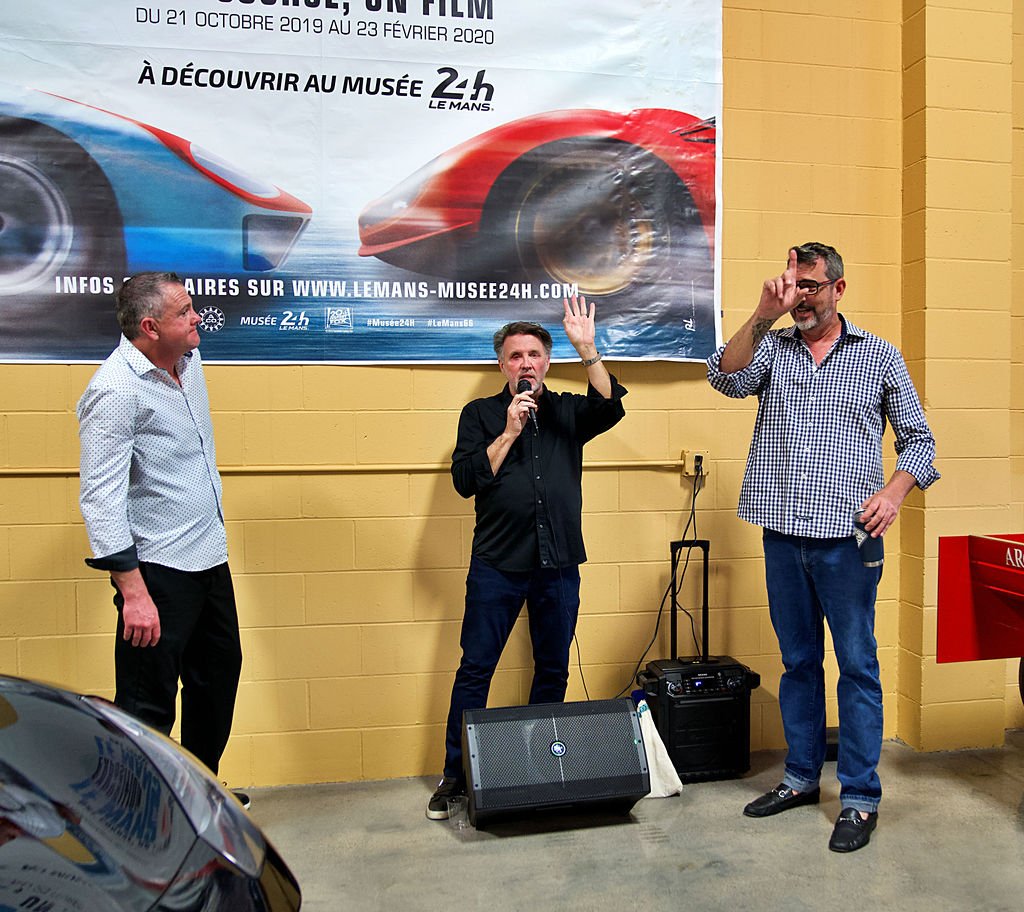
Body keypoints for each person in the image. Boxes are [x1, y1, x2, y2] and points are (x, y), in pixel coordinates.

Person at [706, 243, 939, 853]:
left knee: (857, 668)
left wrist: (893, 493)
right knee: (799, 665)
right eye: (793, 285)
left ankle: (859, 798)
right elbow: (723, 377)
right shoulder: (773, 349)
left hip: (849, 543)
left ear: (839, 289)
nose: (801, 296)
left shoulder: (879, 356)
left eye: (810, 286)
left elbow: (919, 441)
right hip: (782, 535)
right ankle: (802, 779)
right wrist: (761, 313)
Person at [427, 296, 627, 819]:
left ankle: (544, 769)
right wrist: (511, 430)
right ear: (502, 365)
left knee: (552, 669)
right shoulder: (481, 415)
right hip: (497, 565)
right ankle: (455, 775)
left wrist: (588, 350)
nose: (526, 364)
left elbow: (610, 407)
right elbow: (466, 481)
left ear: (547, 361)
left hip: (558, 565)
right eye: (516, 356)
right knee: (476, 669)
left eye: (535, 354)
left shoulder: (565, 410)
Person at [77, 272, 245, 802]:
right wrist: (133, 593)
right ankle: (143, 815)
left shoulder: (188, 363)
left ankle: (198, 796)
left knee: (215, 682)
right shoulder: (114, 390)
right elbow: (100, 498)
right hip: (156, 572)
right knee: (147, 702)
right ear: (150, 327)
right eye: (185, 312)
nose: (198, 317)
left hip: (208, 558)